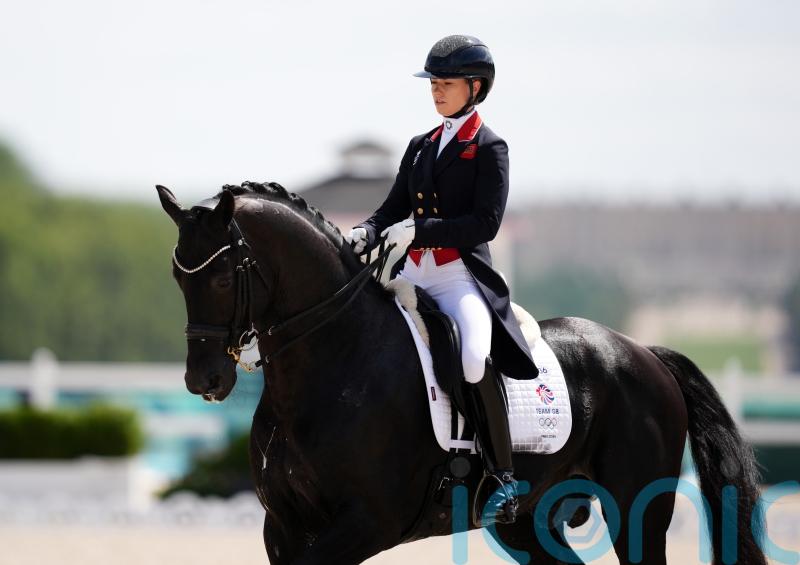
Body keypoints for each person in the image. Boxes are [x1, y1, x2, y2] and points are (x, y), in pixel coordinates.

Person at [345, 35, 539, 525]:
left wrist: (422, 229)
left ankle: (500, 475)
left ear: (475, 87)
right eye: (433, 82)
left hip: (456, 274)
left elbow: (485, 223)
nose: (436, 91)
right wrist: (366, 231)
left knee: (473, 358)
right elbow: (392, 207)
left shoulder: (489, 147)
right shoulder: (421, 146)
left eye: (446, 83)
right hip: (411, 271)